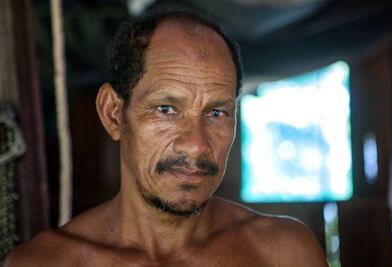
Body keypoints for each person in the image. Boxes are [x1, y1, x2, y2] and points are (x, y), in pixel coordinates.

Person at [5, 10, 328, 266]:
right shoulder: (44, 263)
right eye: (166, 109)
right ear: (113, 113)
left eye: (216, 113)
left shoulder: (283, 254)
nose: (196, 144)